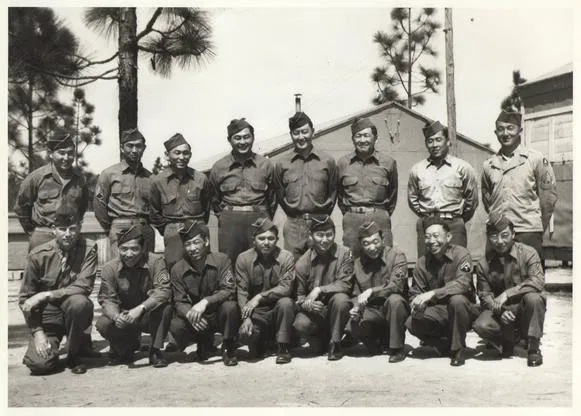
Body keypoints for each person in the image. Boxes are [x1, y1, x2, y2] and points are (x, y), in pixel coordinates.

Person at [19, 204, 97, 375]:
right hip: (48, 316)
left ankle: (74, 354)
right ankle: (54, 345)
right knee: (40, 365)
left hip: (72, 310)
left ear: (80, 227)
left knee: (80, 303)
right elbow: (26, 299)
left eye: (72, 229)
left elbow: (84, 285)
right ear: (54, 229)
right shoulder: (38, 255)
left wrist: (46, 294)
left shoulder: (89, 249)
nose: (67, 234)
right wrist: (38, 332)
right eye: (62, 229)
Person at [481, 110, 558, 260]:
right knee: (497, 279)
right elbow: (486, 197)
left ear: (520, 131)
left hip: (527, 231)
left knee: (531, 279)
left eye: (510, 128)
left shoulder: (535, 159)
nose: (505, 133)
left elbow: (548, 198)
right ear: (495, 132)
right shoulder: (489, 164)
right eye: (501, 129)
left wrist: (537, 226)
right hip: (498, 233)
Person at [472, 211, 546, 367]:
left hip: (523, 308)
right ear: (488, 237)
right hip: (502, 312)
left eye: (504, 235)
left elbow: (538, 281)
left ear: (513, 234)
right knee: (481, 324)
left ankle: (533, 347)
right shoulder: (483, 263)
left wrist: (507, 293)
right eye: (494, 236)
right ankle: (506, 341)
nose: (499, 241)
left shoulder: (528, 253)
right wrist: (501, 311)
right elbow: (485, 296)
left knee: (535, 298)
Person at [405, 217, 478, 367]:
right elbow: (415, 293)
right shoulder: (421, 263)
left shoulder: (461, 254)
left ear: (448, 237)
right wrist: (417, 307)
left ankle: (458, 349)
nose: (432, 241)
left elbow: (463, 284)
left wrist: (433, 293)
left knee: (457, 300)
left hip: (463, 310)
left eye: (436, 236)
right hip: (438, 311)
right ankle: (442, 344)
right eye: (427, 237)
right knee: (412, 322)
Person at [96, 226, 172, 368]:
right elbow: (107, 299)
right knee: (103, 324)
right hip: (124, 317)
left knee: (165, 308)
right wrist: (116, 316)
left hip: (147, 315)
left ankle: (155, 350)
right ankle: (125, 347)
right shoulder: (109, 268)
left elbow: (163, 291)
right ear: (118, 248)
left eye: (134, 249)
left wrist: (141, 308)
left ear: (143, 248)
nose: (129, 254)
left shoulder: (156, 262)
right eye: (124, 249)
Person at [168, 220, 240, 366]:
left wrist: (205, 301)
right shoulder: (177, 269)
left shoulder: (221, 260)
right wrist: (189, 314)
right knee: (175, 324)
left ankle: (228, 345)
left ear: (206, 242)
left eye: (196, 243)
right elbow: (179, 300)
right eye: (187, 244)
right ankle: (204, 342)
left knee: (230, 307)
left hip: (217, 314)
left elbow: (229, 289)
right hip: (197, 318)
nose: (192, 248)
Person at [209, 118, 277, 265]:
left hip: (259, 219)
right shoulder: (219, 167)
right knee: (228, 262)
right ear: (229, 140)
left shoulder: (265, 165)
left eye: (247, 137)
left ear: (253, 138)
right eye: (237, 138)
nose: (242, 142)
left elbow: (273, 197)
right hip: (230, 222)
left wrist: (264, 216)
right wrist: (226, 215)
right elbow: (213, 198)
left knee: (261, 261)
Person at [408, 120, 479, 256]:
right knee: (428, 268)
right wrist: (428, 215)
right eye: (430, 141)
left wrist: (458, 218)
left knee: (457, 262)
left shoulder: (462, 167)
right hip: (427, 224)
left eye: (438, 140)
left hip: (454, 224)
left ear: (447, 141)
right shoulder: (417, 169)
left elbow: (472, 200)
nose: (434, 145)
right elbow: (412, 200)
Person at [274, 111, 338, 259]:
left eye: (305, 132)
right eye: (296, 133)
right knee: (293, 265)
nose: (301, 137)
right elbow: (279, 194)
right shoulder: (282, 163)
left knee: (322, 263)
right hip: (294, 224)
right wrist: (293, 212)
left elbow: (333, 192)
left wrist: (322, 214)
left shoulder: (327, 161)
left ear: (313, 132)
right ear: (291, 135)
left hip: (320, 221)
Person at [14, 130, 89, 251]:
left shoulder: (80, 179)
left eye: (70, 153)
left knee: (71, 270)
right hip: (43, 236)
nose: (66, 158)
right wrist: (33, 233)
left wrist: (73, 228)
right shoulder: (36, 178)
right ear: (51, 153)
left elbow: (82, 207)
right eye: (61, 153)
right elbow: (21, 207)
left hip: (69, 237)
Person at [292, 215, 353, 361]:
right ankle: (321, 337)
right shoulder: (302, 262)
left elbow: (346, 284)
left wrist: (319, 289)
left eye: (329, 235)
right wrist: (308, 305)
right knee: (300, 324)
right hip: (316, 314)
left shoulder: (345, 253)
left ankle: (335, 343)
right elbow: (298, 296)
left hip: (337, 310)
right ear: (311, 236)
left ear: (334, 234)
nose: (325, 240)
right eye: (320, 235)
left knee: (341, 299)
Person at [235, 218, 295, 364]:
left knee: (286, 302)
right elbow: (242, 291)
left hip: (278, 310)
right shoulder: (243, 259)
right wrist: (246, 318)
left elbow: (286, 288)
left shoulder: (286, 257)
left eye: (270, 238)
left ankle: (283, 347)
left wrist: (259, 296)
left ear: (277, 240)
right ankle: (262, 342)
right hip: (257, 312)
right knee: (247, 338)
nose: (266, 242)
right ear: (253, 240)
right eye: (261, 238)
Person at [348, 221, 409, 363]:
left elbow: (396, 285)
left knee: (395, 300)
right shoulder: (357, 263)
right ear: (361, 245)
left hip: (393, 310)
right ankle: (377, 341)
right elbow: (355, 293)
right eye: (366, 243)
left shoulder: (396, 256)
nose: (372, 247)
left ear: (383, 240)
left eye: (375, 241)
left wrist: (371, 291)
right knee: (351, 321)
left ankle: (397, 348)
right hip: (371, 310)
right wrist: (355, 306)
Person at [338, 117, 398, 257]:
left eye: (366, 135)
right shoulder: (343, 163)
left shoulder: (388, 162)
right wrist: (350, 213)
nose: (362, 140)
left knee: (384, 260)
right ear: (353, 139)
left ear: (375, 138)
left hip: (380, 218)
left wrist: (380, 213)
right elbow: (339, 195)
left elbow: (392, 194)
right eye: (358, 136)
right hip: (352, 220)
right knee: (350, 259)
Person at [150, 133, 211, 270]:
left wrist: (199, 226)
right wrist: (168, 230)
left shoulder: (201, 179)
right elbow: (154, 212)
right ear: (167, 155)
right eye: (177, 153)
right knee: (175, 268)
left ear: (190, 154)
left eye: (185, 153)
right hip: (173, 231)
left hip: (198, 228)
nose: (181, 157)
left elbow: (207, 206)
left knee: (202, 267)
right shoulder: (157, 181)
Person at [94, 128, 155, 258]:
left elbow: (156, 207)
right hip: (119, 228)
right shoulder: (109, 174)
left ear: (144, 148)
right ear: (122, 148)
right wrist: (112, 227)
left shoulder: (151, 177)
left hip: (144, 229)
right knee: (119, 270)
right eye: (130, 146)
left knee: (146, 270)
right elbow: (99, 205)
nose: (134, 150)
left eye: (138, 146)